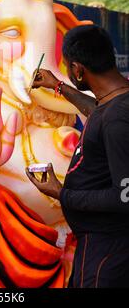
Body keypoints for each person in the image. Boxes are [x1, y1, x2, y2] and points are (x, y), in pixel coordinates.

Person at [26, 24, 129, 288]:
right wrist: (58, 86)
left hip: (107, 250)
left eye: (68, 68)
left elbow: (124, 196)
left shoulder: (117, 119)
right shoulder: (118, 101)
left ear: (78, 70)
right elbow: (99, 110)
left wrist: (61, 193)